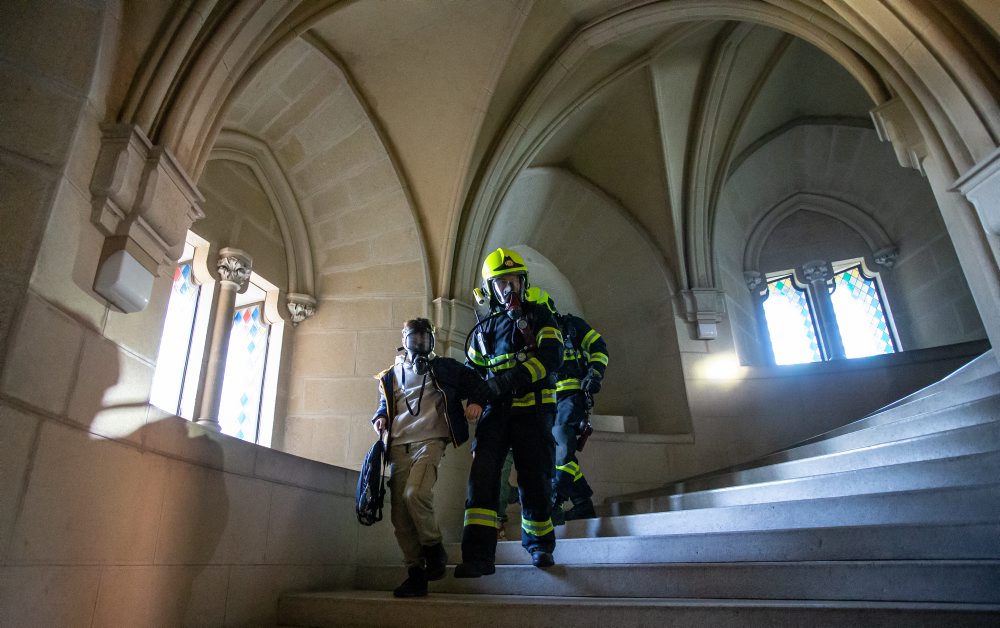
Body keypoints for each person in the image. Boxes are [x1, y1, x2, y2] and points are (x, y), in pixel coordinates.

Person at [455, 247, 564, 577]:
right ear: (489, 288)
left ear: (523, 282)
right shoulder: (484, 330)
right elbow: (471, 370)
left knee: (535, 479)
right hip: (495, 417)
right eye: (501, 282)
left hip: (533, 412)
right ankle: (478, 557)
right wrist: (472, 394)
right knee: (482, 481)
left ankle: (540, 546)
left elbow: (551, 358)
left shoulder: (540, 314)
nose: (508, 288)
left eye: (514, 280)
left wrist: (501, 384)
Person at [372, 318, 492, 597]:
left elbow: (479, 384)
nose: (420, 346)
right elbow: (384, 403)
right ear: (404, 340)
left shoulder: (445, 367)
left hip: (431, 441)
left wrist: (476, 402)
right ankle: (416, 573)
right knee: (400, 519)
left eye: (426, 340)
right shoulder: (389, 375)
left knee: (416, 493)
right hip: (398, 446)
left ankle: (434, 549)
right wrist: (379, 416)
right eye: (415, 340)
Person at [550, 309, 608, 523]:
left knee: (563, 447)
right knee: (558, 456)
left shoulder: (572, 326)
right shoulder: (530, 331)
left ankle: (554, 501)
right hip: (546, 402)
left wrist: (595, 373)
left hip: (572, 396)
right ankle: (582, 504)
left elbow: (598, 347)